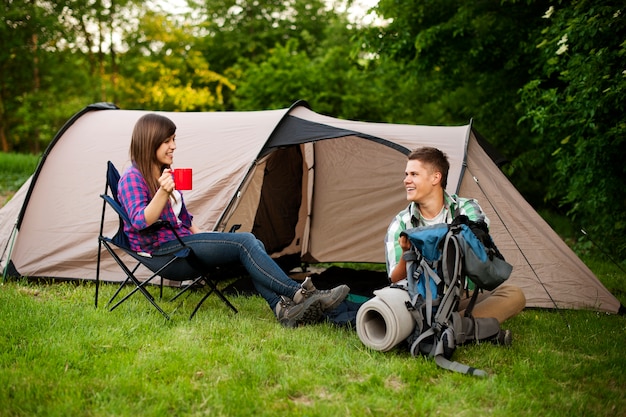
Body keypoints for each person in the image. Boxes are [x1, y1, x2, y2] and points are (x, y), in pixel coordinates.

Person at [118, 113, 349, 327]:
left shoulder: (162, 173)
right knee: (246, 242)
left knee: (251, 244)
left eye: (174, 139)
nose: (174, 146)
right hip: (167, 254)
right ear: (150, 142)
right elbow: (140, 221)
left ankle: (282, 310)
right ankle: (300, 294)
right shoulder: (132, 178)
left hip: (185, 244)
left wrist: (209, 240)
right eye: (168, 140)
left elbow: (184, 219)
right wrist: (163, 192)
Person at [384, 147, 526, 329]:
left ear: (436, 177)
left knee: (514, 295)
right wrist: (406, 253)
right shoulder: (401, 223)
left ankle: (445, 327)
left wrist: (427, 240)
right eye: (406, 174)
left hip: (461, 296)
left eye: (414, 174)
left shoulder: (466, 208)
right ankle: (461, 326)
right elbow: (395, 280)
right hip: (424, 300)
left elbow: (476, 234)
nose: (406, 180)